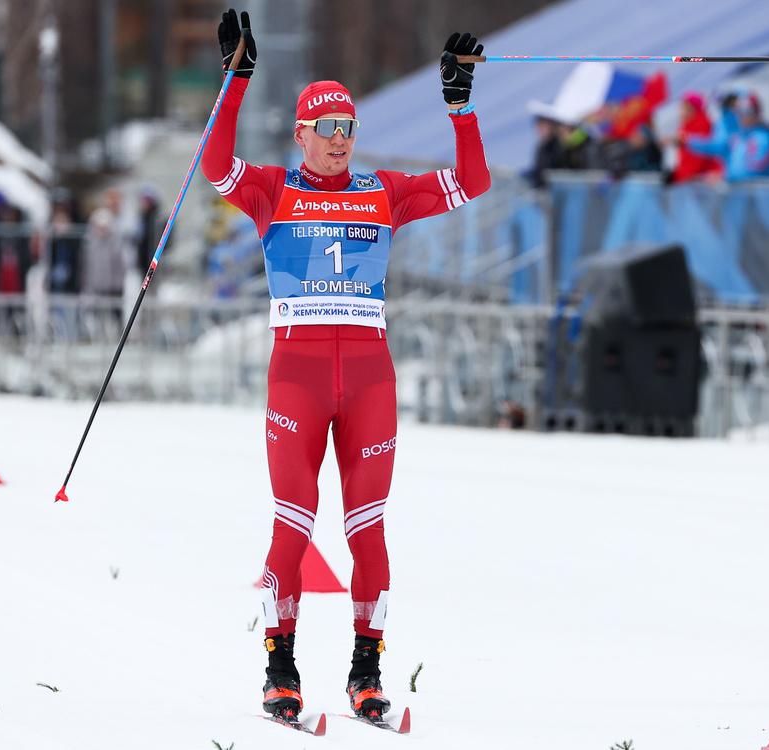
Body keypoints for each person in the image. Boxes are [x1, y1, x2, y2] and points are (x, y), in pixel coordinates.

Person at [199, 9, 490, 723]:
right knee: (292, 523)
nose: (339, 140)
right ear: (301, 133)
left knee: (368, 526)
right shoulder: (271, 190)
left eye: (348, 128)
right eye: (326, 129)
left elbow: (473, 182)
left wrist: (461, 106)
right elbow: (213, 167)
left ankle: (367, 671)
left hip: (369, 381)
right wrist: (235, 82)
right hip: (296, 379)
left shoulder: (383, 192)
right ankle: (280, 667)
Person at [684, 92, 769, 182]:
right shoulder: (739, 137)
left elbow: (754, 170)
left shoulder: (763, 138)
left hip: (756, 193)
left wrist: (724, 177)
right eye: (738, 112)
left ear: (756, 113)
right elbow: (718, 146)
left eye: (747, 112)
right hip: (740, 192)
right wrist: (688, 141)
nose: (741, 116)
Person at [81, 188, 132, 299]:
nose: (114, 203)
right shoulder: (101, 215)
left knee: (116, 302)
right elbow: (98, 230)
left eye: (116, 200)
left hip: (118, 270)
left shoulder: (125, 218)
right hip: (100, 269)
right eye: (111, 199)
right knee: (99, 301)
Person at [662, 91, 723, 183]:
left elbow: (700, 155)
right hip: (690, 177)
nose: (681, 112)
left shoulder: (703, 124)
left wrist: (683, 176)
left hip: (700, 178)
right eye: (681, 108)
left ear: (693, 109)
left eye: (684, 108)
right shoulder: (686, 126)